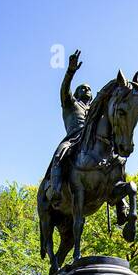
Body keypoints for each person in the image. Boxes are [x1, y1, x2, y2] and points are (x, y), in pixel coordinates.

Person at [47, 50, 92, 203]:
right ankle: (55, 188)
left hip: (91, 140)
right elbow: (65, 89)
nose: (86, 90)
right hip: (73, 139)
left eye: (88, 89)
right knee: (59, 154)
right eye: (82, 88)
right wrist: (70, 71)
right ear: (77, 93)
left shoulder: (94, 110)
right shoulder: (70, 104)